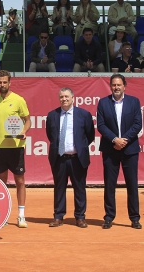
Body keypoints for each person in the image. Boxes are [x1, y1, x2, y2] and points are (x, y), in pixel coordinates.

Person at [97, 74, 142, 230]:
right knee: (109, 185)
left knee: (132, 185)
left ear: (124, 85)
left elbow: (137, 124)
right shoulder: (103, 103)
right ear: (110, 86)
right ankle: (109, 217)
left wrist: (124, 140)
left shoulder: (134, 102)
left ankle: (135, 218)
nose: (116, 87)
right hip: (110, 149)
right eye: (113, 85)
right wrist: (115, 139)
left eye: (119, 85)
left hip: (130, 149)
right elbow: (101, 125)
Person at [46, 88, 95, 228]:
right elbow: (51, 135)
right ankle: (58, 216)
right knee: (59, 187)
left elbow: (89, 135)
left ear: (73, 98)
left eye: (67, 96)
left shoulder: (84, 114)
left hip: (77, 158)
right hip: (59, 157)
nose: (64, 99)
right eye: (61, 97)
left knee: (79, 188)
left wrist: (79, 148)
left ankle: (80, 217)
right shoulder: (52, 115)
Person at [0, 70, 31, 228]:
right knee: (1, 182)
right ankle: (3, 214)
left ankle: (21, 215)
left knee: (20, 180)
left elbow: (27, 121)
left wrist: (22, 132)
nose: (2, 85)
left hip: (16, 147)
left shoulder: (19, 100)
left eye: (4, 82)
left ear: (10, 83)